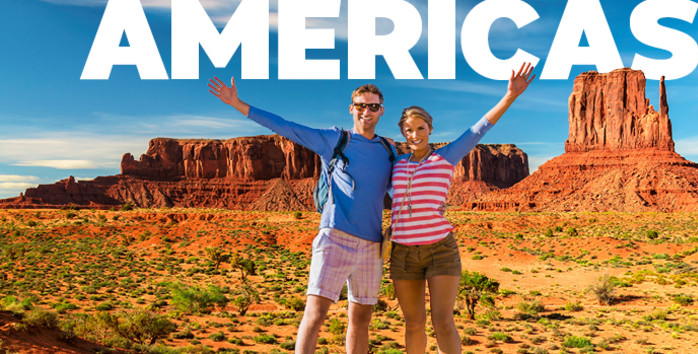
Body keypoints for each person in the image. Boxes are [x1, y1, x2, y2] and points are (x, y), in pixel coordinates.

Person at [208, 77, 395, 354]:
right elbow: (286, 127)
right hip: (335, 237)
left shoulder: (389, 150)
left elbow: (404, 189)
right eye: (360, 106)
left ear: (382, 111)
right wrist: (238, 104)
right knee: (315, 313)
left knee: (361, 320)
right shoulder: (335, 140)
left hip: (372, 245)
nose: (366, 112)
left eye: (373, 107)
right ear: (351, 109)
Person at [389, 62, 535, 354]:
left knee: (443, 321)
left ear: (430, 128)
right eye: (409, 130)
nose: (415, 134)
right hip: (402, 252)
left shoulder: (445, 157)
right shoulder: (394, 163)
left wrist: (510, 96)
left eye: (420, 128)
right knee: (413, 323)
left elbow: (479, 129)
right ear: (402, 133)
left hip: (440, 249)